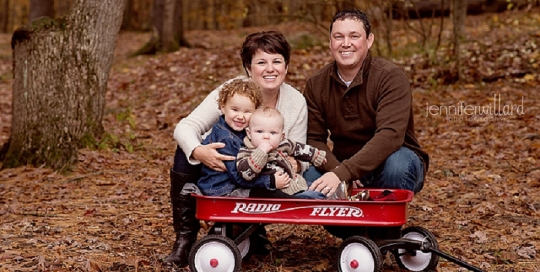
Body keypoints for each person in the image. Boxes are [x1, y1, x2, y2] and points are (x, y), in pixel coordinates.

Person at [164, 30, 309, 268]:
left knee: (274, 178)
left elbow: (298, 148)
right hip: (224, 170)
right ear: (248, 68)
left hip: (263, 174)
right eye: (261, 62)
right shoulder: (233, 91)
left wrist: (296, 163)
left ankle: (252, 229)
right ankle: (184, 239)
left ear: (286, 66)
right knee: (185, 151)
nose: (270, 69)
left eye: (277, 61)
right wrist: (200, 152)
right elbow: (185, 127)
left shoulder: (295, 102)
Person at [303, 9, 430, 238]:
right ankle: (358, 234)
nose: (346, 44)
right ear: (330, 42)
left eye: (354, 36)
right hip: (342, 165)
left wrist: (345, 172)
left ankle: (384, 234)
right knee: (309, 177)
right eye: (338, 37)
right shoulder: (316, 84)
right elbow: (313, 139)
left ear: (369, 40)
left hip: (393, 162)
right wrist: (337, 171)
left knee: (398, 163)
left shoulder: (390, 77)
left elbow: (390, 135)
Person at [197, 79, 292, 197]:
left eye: (247, 112)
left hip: (237, 184)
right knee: (274, 195)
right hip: (223, 190)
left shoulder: (244, 131)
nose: (240, 117)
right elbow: (238, 175)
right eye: (235, 109)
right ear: (222, 108)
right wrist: (270, 181)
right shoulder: (225, 139)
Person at [237, 107, 327, 199]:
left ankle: (332, 195)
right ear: (249, 133)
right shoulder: (246, 152)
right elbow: (246, 174)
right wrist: (261, 152)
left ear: (281, 136)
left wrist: (316, 156)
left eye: (273, 133)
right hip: (274, 193)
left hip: (295, 183)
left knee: (318, 187)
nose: (266, 136)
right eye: (259, 131)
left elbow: (299, 148)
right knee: (313, 197)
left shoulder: (283, 144)